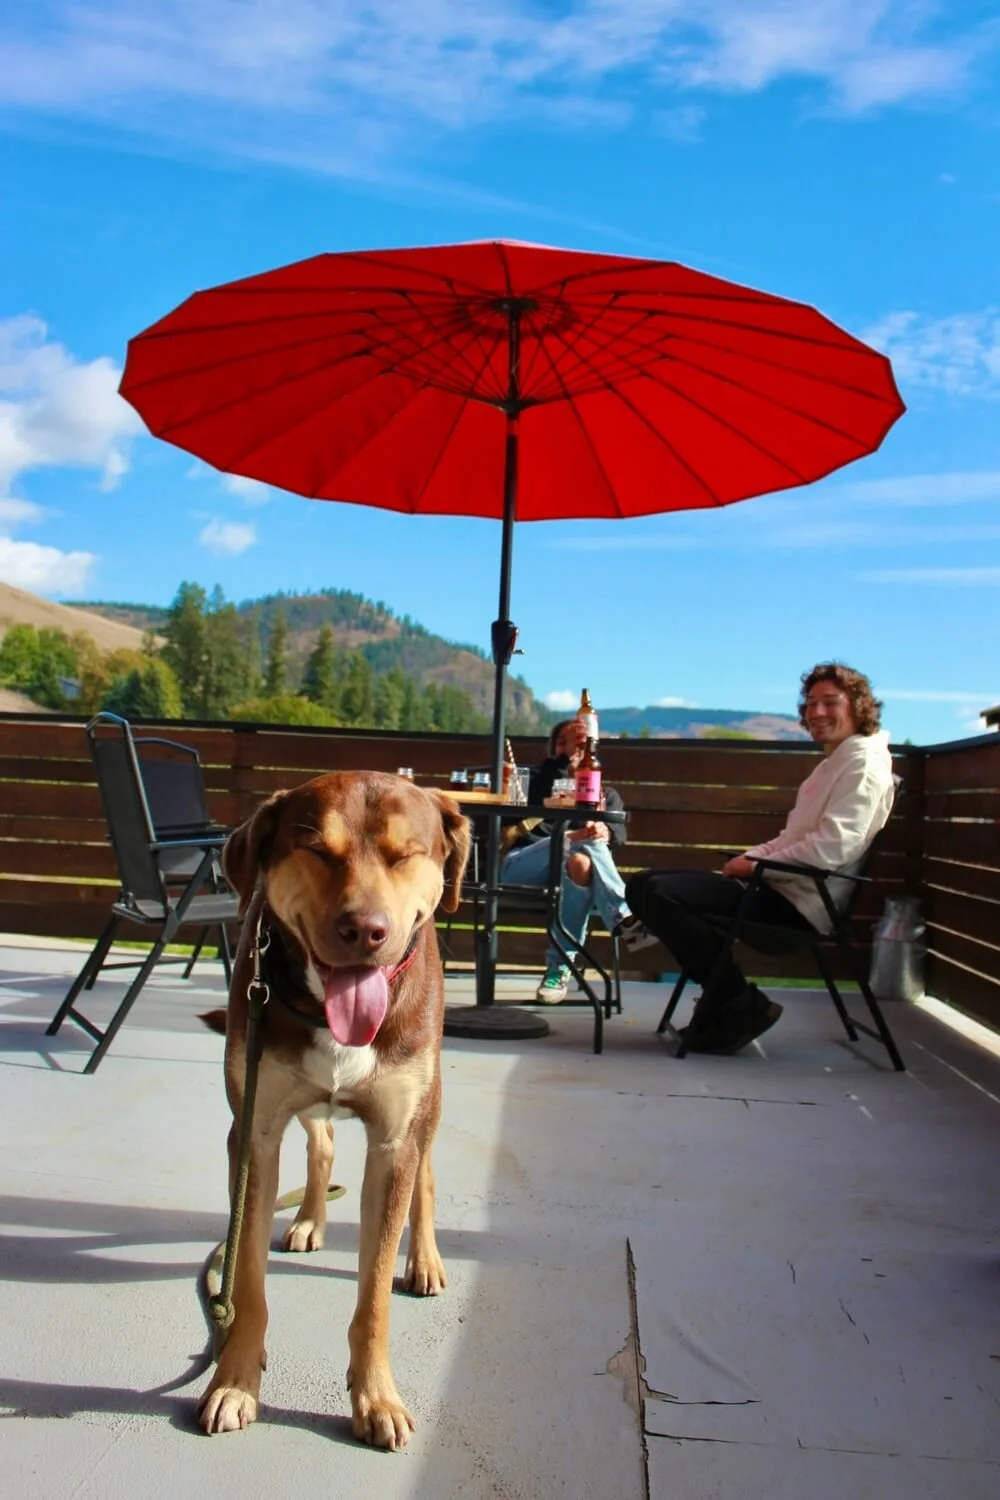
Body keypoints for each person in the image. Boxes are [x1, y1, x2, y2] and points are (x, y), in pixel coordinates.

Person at [624, 663, 896, 1055]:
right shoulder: (836, 762)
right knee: (646, 884)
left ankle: (736, 1002)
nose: (817, 712)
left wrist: (753, 867)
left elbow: (832, 849)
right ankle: (732, 1001)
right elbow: (793, 838)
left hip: (798, 905)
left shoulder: (864, 765)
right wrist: (751, 858)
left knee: (661, 893)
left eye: (830, 702)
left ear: (859, 706)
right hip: (778, 886)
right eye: (811, 703)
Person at [501, 718, 635, 1003]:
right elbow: (531, 805)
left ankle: (558, 970)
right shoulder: (537, 781)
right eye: (561, 742)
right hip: (522, 866)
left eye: (575, 743)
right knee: (582, 839)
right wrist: (567, 764)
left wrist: (604, 831)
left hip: (569, 873)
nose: (568, 748)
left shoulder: (607, 796)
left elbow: (619, 834)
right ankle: (623, 913)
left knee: (582, 863)